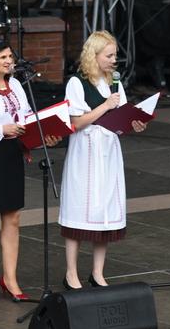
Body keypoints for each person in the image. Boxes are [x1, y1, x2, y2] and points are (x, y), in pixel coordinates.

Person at [0, 38, 60, 302]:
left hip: (12, 153)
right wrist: (1, 129)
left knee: (12, 217)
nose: (9, 61)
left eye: (10, 57)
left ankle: (10, 278)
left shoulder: (16, 85)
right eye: (3, 57)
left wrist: (44, 134)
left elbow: (26, 118)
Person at [59, 30, 147, 289]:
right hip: (86, 152)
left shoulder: (114, 82)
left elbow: (122, 117)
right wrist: (106, 106)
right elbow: (76, 122)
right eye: (109, 55)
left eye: (115, 55)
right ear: (94, 55)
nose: (113, 60)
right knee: (79, 209)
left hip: (108, 151)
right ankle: (71, 273)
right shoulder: (77, 82)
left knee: (105, 210)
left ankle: (97, 272)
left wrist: (135, 123)